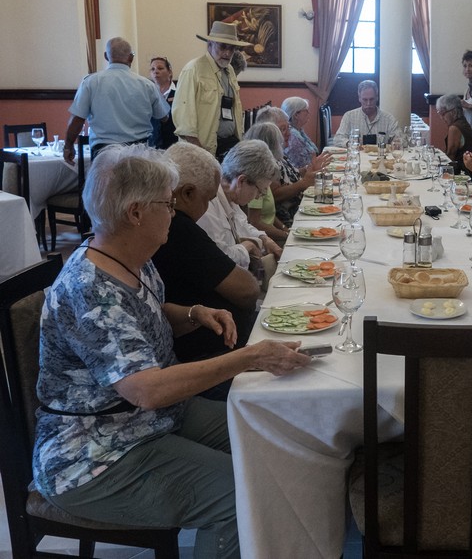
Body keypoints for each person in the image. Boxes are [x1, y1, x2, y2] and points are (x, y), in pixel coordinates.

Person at [31, 144, 310, 559]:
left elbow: (142, 318)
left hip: (149, 419)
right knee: (242, 494)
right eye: (167, 204)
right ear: (136, 213)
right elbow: (146, 389)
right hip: (95, 452)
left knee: (271, 430)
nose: (174, 213)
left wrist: (194, 312)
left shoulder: (129, 258)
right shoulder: (89, 290)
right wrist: (250, 357)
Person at [152, 142, 262, 383]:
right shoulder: (178, 228)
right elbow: (246, 291)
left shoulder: (173, 226)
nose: (207, 209)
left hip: (206, 345)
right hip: (205, 355)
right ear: (188, 193)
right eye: (207, 199)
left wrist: (195, 313)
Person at [62, 37, 169, 164]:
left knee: (105, 184)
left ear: (106, 56)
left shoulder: (90, 82)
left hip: (103, 152)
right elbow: (164, 117)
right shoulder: (147, 85)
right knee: (137, 184)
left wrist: (68, 145)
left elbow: (77, 119)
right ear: (131, 58)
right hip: (139, 152)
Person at [197, 138, 284, 270]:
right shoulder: (207, 206)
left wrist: (264, 238)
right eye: (259, 191)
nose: (258, 196)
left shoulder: (231, 197)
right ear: (241, 181)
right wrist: (248, 245)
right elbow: (220, 258)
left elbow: (243, 225)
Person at [172, 21, 251, 160]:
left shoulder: (230, 70)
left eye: (231, 48)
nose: (227, 53)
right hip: (201, 150)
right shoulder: (193, 69)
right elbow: (184, 121)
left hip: (229, 144)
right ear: (210, 44)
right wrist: (202, 155)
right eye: (222, 47)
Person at [254, 106, 329, 226]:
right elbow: (275, 195)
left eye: (288, 127)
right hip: (289, 218)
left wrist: (308, 169)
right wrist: (303, 183)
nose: (288, 133)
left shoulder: (278, 152)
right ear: (268, 131)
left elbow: (289, 175)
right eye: (283, 130)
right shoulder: (264, 161)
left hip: (301, 206)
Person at [243, 122, 291, 244]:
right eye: (279, 143)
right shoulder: (254, 179)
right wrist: (287, 236)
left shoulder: (264, 173)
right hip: (266, 240)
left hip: (273, 234)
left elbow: (268, 214)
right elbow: (256, 223)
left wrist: (286, 229)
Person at [333, 80, 400, 146]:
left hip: (381, 155)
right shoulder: (349, 116)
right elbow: (338, 139)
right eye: (365, 100)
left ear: (377, 98)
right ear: (359, 98)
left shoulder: (389, 119)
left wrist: (396, 142)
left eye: (371, 99)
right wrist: (352, 144)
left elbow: (402, 140)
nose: (368, 103)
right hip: (357, 155)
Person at [435, 94, 472, 174]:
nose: (441, 118)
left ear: (453, 111)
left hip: (466, 173)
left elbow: (451, 155)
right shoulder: (462, 122)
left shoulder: (454, 128)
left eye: (443, 113)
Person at [281, 96, 321, 168]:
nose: (309, 113)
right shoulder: (293, 137)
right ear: (296, 115)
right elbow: (300, 165)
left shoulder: (298, 130)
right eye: (306, 110)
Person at [148, 56, 177, 149]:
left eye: (160, 68)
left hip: (174, 142)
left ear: (169, 72)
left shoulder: (179, 91)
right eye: (153, 69)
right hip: (153, 144)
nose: (155, 71)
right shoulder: (147, 92)